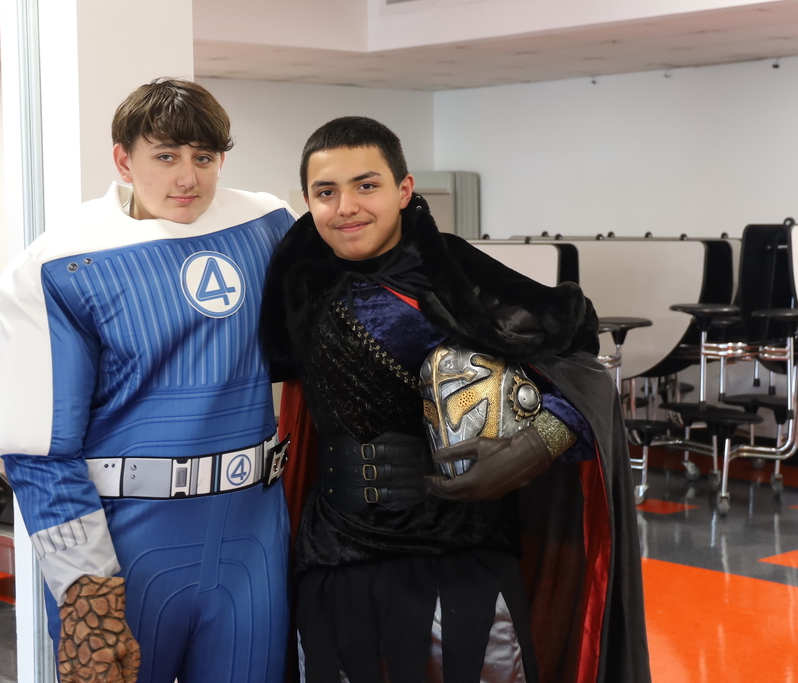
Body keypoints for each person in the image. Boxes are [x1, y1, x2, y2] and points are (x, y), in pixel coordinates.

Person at [260, 116, 650, 683]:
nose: (346, 207)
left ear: (404, 189)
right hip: (335, 551)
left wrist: (535, 445)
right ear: (308, 201)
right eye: (327, 192)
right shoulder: (296, 278)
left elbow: (578, 368)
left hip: (460, 549)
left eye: (366, 185)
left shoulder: (454, 273)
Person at [0, 79, 296, 683]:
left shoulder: (269, 225)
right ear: (123, 159)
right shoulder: (58, 264)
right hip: (130, 541)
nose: (187, 178)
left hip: (255, 534)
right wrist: (85, 589)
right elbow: (39, 448)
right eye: (166, 156)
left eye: (203, 158)